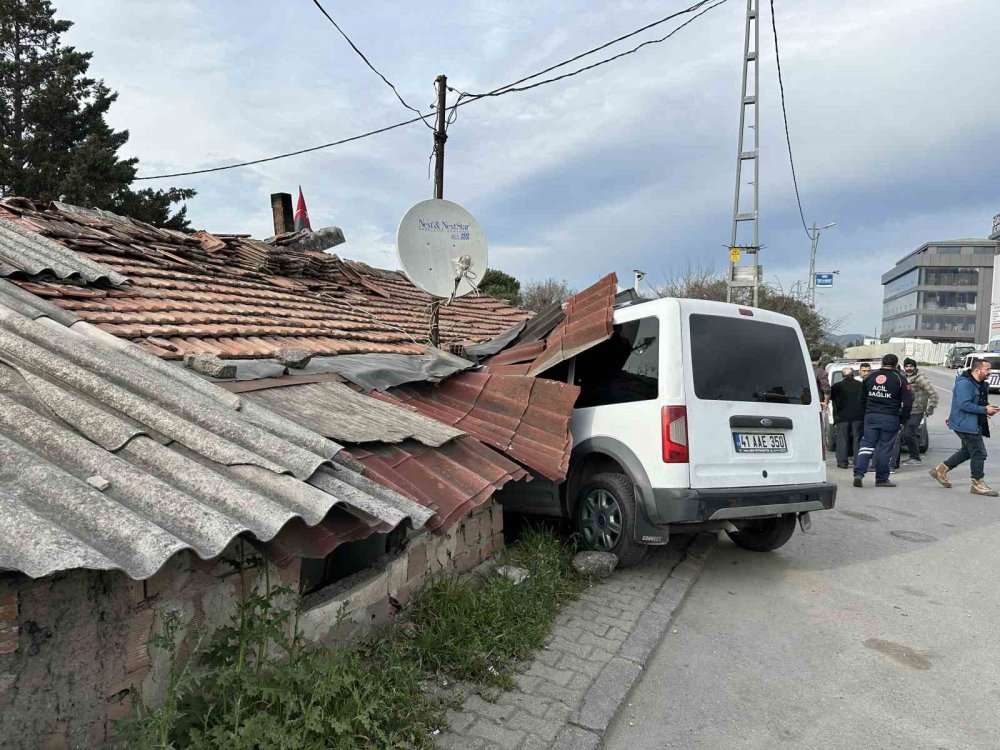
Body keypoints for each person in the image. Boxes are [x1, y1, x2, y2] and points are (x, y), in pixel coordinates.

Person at [930, 358, 1000, 496]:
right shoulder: (964, 384)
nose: (990, 372)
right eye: (987, 369)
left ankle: (940, 470)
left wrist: (988, 407)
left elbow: (979, 402)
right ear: (977, 370)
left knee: (968, 451)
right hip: (965, 424)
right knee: (979, 453)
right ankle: (977, 484)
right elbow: (963, 404)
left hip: (974, 423)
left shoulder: (981, 384)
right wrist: (984, 410)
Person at [853, 353, 913, 488]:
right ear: (896, 364)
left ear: (882, 363)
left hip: (871, 416)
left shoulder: (870, 377)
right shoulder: (900, 379)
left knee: (867, 445)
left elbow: (861, 399)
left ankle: (858, 473)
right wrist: (903, 419)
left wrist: (864, 415)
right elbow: (908, 403)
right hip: (890, 417)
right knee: (885, 448)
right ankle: (881, 479)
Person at [894, 357, 938, 466]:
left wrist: (930, 408)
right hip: (905, 410)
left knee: (909, 433)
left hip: (917, 410)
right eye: (907, 366)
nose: (909, 368)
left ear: (915, 367)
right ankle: (912, 457)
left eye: (911, 366)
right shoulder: (903, 377)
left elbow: (933, 393)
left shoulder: (921, 378)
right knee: (906, 434)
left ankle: (915, 458)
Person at [831, 366, 863, 468]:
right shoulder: (861, 385)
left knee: (842, 439)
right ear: (853, 375)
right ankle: (858, 461)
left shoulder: (836, 386)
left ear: (842, 376)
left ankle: (842, 462)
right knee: (857, 439)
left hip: (842, 416)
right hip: (858, 416)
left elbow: (830, 398)